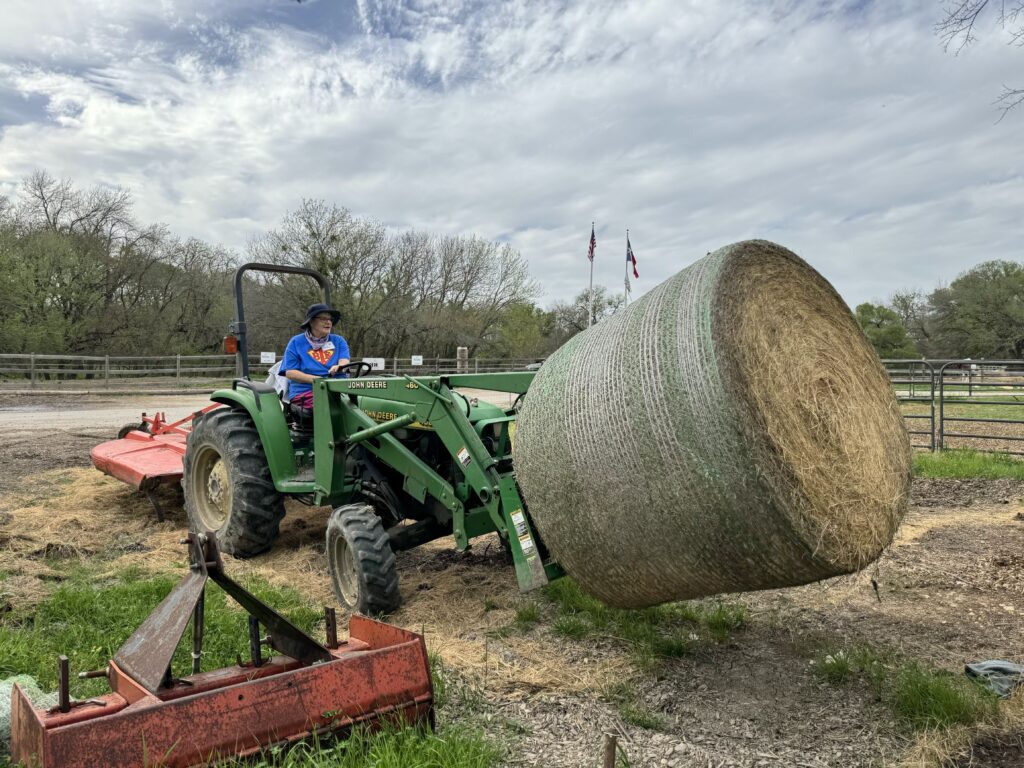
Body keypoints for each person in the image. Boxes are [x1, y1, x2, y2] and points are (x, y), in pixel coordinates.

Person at [280, 303, 351, 410]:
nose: (328, 322)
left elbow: (344, 360)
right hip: (306, 391)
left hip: (338, 389)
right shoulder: (296, 342)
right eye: (323, 318)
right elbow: (290, 372)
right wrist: (319, 381)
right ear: (311, 321)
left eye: (330, 319)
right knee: (329, 407)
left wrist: (340, 367)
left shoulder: (338, 341)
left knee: (362, 402)